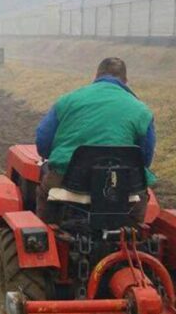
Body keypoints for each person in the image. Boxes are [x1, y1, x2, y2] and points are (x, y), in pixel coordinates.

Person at [35, 57, 156, 222]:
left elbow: (43, 142)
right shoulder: (142, 110)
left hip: (68, 181)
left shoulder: (68, 100)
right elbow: (145, 159)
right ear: (125, 80)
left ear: (97, 76)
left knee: (45, 191)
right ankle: (133, 232)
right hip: (121, 186)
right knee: (140, 198)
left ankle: (46, 229)